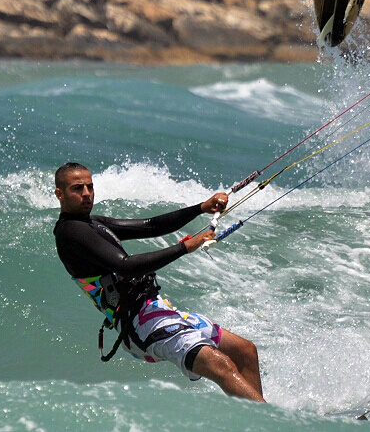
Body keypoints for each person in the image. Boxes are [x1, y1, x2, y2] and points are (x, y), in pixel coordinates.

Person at [52, 162, 265, 402]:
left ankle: (258, 419)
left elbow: (151, 226)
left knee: (245, 351)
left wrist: (201, 208)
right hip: (138, 323)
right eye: (77, 189)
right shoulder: (69, 232)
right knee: (220, 364)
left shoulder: (92, 224)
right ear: (59, 193)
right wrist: (186, 246)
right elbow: (125, 265)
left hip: (156, 309)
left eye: (90, 187)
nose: (87, 194)